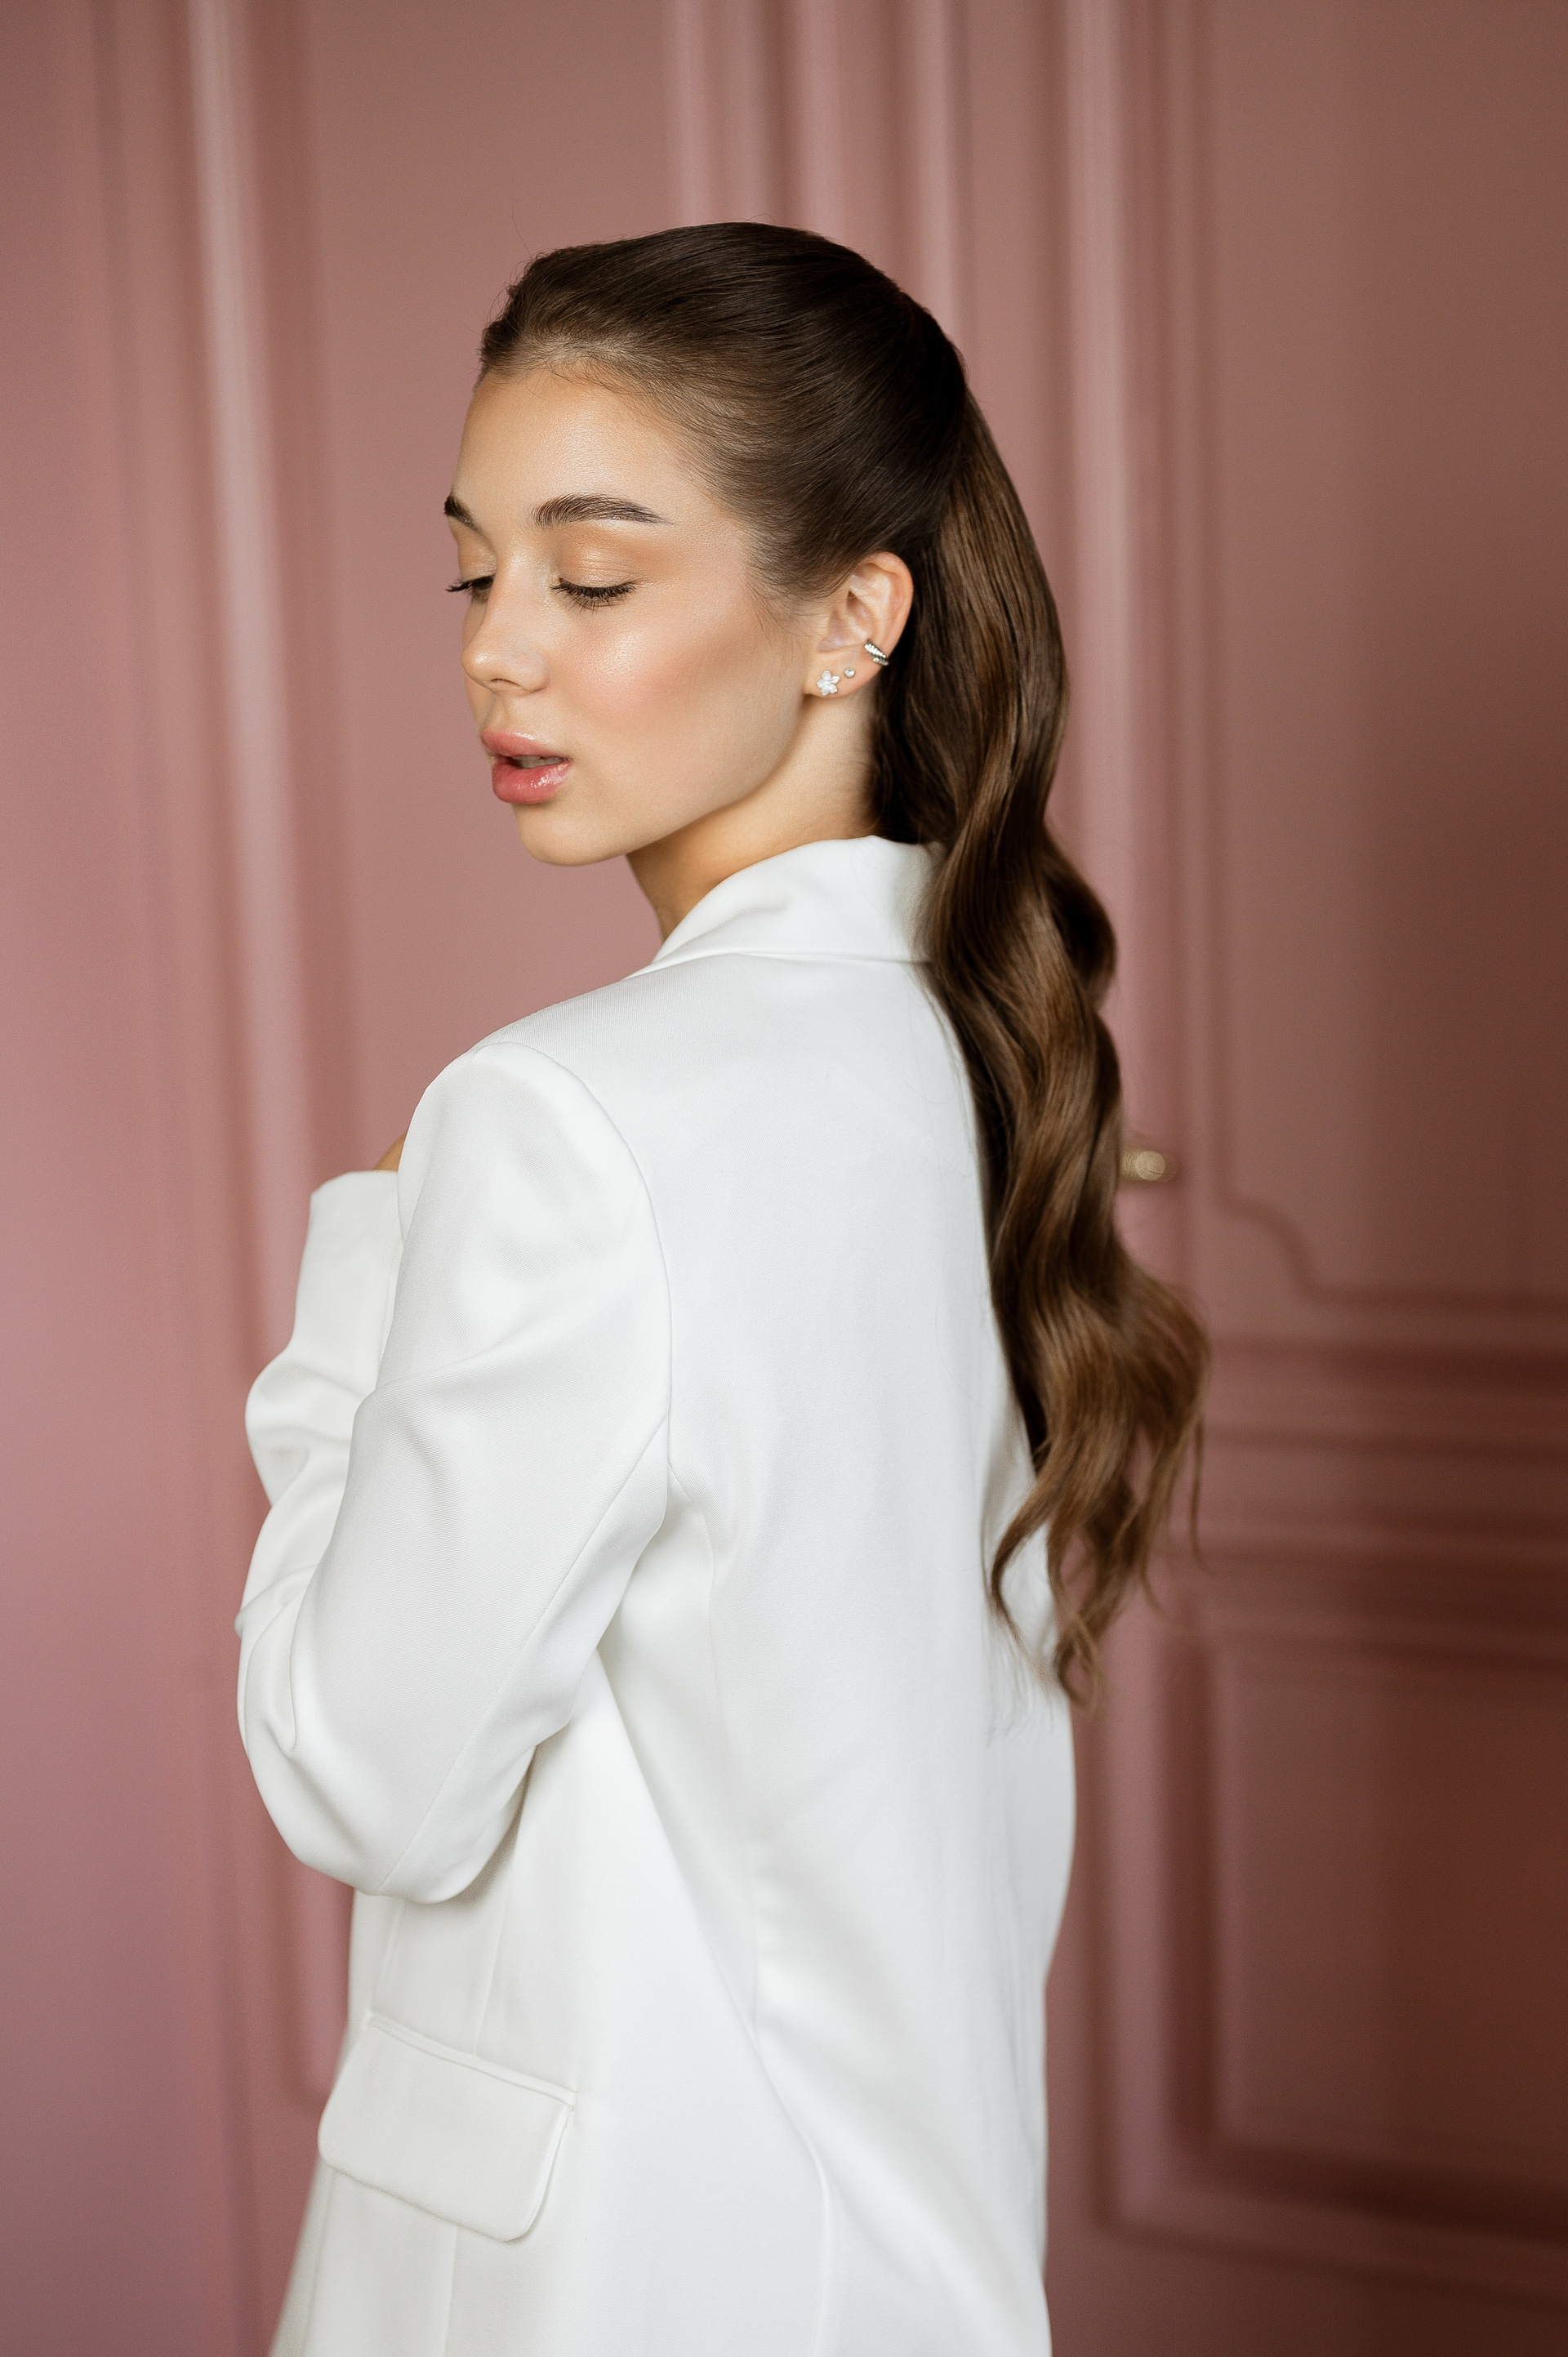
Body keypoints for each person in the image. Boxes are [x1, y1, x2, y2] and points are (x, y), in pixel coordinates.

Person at [238, 222, 1206, 2357]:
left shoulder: (559, 1123)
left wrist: (360, 1292)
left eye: (592, 580)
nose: (501, 654)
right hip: (905, 2268)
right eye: (473, 573)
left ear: (856, 614)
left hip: (605, 2286)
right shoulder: (979, 1057)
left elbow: (361, 1774)